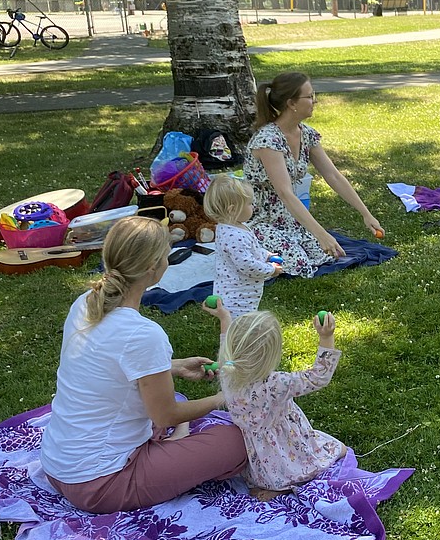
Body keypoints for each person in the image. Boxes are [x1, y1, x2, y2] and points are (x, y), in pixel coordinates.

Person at [40, 217, 247, 513]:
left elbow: (105, 363)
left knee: (168, 398)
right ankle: (166, 451)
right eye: (166, 253)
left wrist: (171, 366)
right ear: (153, 267)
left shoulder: (86, 302)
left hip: (57, 465)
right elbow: (166, 416)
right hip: (101, 483)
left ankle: (165, 450)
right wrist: (221, 399)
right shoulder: (143, 334)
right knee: (235, 441)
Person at [244, 71, 384, 278]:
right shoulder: (268, 140)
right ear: (292, 103)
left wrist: (365, 213)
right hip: (259, 219)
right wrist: (321, 234)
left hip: (289, 217)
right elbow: (285, 193)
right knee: (299, 264)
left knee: (326, 256)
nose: (314, 101)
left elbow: (333, 176)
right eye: (309, 96)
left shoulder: (307, 134)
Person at [202, 305, 345, 500]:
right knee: (339, 450)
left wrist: (224, 317)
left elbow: (226, 344)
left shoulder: (228, 371)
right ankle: (283, 488)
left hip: (258, 456)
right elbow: (318, 377)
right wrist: (326, 337)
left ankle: (270, 484)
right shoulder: (276, 384)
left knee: (272, 470)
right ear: (271, 354)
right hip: (286, 447)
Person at [204, 174, 284, 318]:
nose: (253, 206)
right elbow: (246, 265)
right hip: (237, 297)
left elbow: (251, 250)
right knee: (240, 329)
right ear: (232, 209)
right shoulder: (234, 236)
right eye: (249, 204)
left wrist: (266, 255)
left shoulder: (234, 226)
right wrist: (271, 269)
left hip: (243, 291)